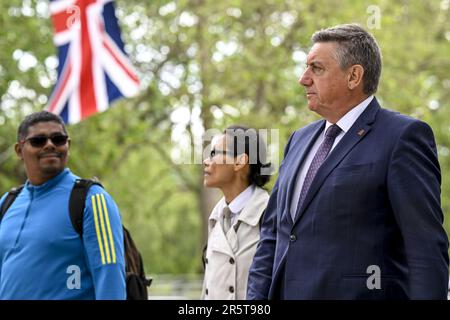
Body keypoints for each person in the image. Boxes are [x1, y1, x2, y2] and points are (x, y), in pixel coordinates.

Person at [247, 24, 449, 300]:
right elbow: (272, 235)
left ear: (354, 75)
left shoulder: (403, 137)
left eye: (316, 68)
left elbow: (425, 249)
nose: (303, 79)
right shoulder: (298, 140)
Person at [0, 111, 126, 299]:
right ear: (19, 150)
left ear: (68, 145)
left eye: (58, 139)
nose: (50, 145)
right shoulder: (7, 203)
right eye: (38, 141)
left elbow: (111, 280)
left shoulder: (91, 199)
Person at [201, 125, 271, 299]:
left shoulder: (271, 214)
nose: (206, 161)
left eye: (214, 153)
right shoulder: (216, 218)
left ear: (240, 162)